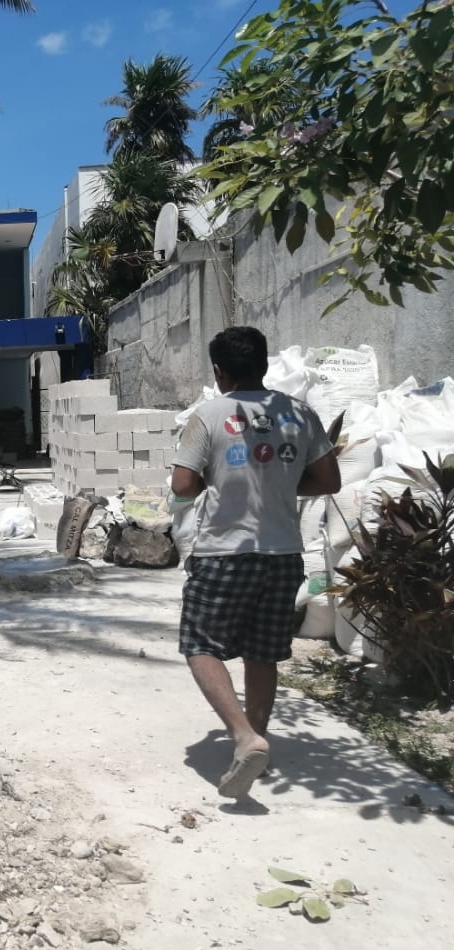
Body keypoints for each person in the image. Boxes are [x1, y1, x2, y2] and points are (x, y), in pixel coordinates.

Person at [170, 327, 341, 798]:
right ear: (263, 366)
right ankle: (256, 741)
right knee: (262, 651)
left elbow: (183, 486)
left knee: (200, 644)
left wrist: (218, 479)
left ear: (219, 372)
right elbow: (329, 480)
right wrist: (283, 486)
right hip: (284, 554)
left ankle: (244, 737)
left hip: (226, 553)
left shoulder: (208, 415)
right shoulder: (299, 413)